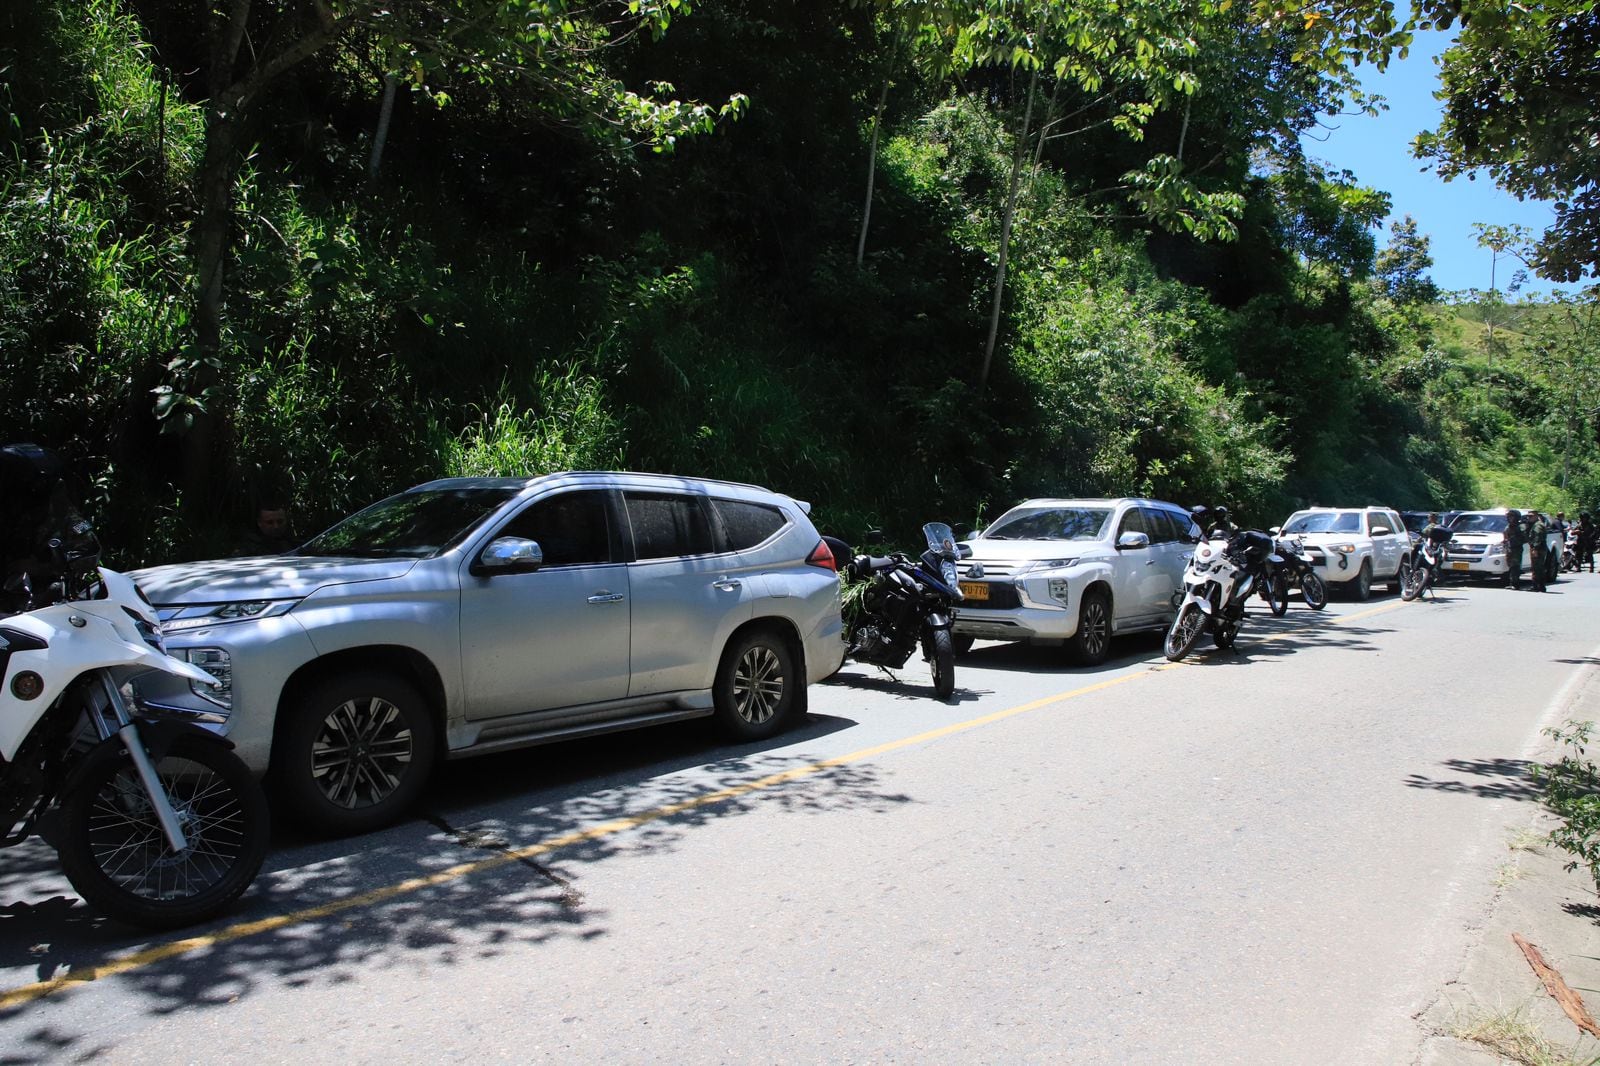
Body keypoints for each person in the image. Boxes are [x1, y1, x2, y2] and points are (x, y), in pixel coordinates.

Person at [1528, 510, 1549, 592]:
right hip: (1539, 548)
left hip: (1538, 549)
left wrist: (1535, 549)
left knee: (1537, 568)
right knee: (1538, 567)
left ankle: (1537, 586)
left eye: (1531, 516)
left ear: (1536, 516)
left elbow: (1538, 537)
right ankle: (1540, 586)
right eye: (1528, 516)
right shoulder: (1536, 524)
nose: (1529, 518)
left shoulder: (1538, 525)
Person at [1504, 509, 1524, 589]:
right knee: (1510, 566)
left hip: (1516, 548)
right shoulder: (1508, 526)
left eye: (1511, 516)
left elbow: (1524, 538)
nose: (1509, 518)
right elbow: (1505, 535)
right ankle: (1512, 582)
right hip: (1509, 548)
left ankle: (1516, 584)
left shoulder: (1520, 527)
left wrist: (1515, 540)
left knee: (1515, 566)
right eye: (1508, 516)